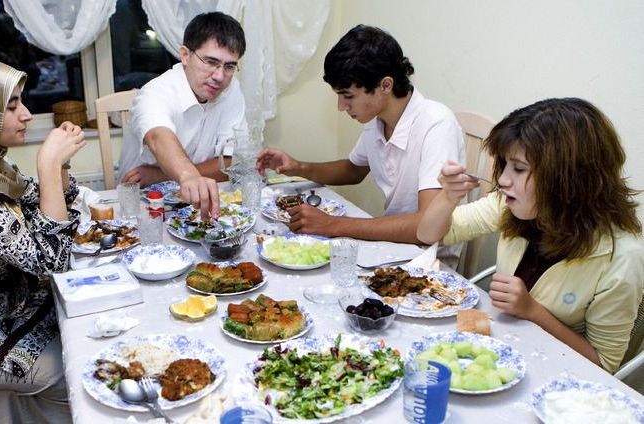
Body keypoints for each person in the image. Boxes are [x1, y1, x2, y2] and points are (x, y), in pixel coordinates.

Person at [416, 98, 644, 373]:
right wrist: (447, 196)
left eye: (520, 169)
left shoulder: (620, 256)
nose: (503, 180)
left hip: (557, 374)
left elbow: (603, 364)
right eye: (505, 165)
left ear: (567, 178)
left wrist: (533, 311)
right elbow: (429, 234)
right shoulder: (511, 205)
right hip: (502, 353)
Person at [255, 25, 464, 265]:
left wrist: (333, 225)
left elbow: (426, 224)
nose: (341, 106)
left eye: (348, 96)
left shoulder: (436, 124)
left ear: (385, 85)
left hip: (427, 260)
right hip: (391, 246)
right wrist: (297, 166)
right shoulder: (378, 119)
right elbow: (352, 170)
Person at [0, 58, 85, 422]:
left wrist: (60, 165)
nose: (28, 114)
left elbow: (50, 201)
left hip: (12, 302)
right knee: (78, 374)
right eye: (12, 105)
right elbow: (53, 261)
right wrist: (47, 164)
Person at [118, 11, 246, 218]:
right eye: (211, 62)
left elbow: (231, 162)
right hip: (143, 206)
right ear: (185, 55)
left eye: (229, 66)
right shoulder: (156, 92)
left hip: (197, 202)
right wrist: (187, 176)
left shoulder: (232, 89)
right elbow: (159, 137)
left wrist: (160, 175)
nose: (220, 76)